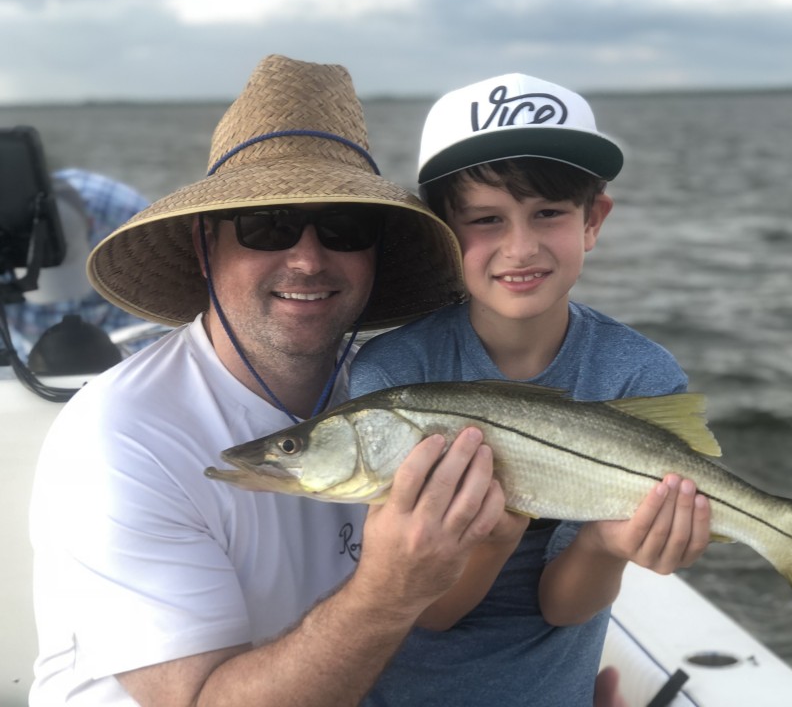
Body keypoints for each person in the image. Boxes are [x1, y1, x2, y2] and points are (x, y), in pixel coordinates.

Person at [28, 55, 505, 707]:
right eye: (268, 224)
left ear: (376, 252)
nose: (308, 259)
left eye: (344, 226)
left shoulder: (392, 388)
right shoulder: (120, 436)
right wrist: (389, 589)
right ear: (206, 247)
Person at [348, 73, 713, 705]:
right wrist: (493, 538)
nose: (521, 247)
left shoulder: (638, 374)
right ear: (443, 232)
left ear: (593, 219)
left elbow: (564, 606)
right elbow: (428, 611)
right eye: (486, 220)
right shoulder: (392, 378)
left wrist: (607, 543)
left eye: (549, 213)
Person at [4, 167, 155, 361]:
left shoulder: (133, 221)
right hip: (28, 350)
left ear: (91, 224)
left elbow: (153, 319)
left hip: (119, 350)